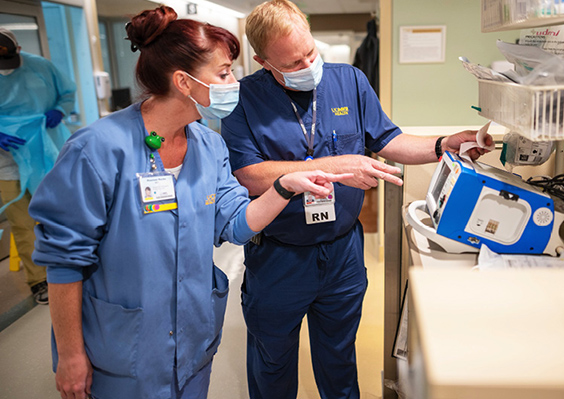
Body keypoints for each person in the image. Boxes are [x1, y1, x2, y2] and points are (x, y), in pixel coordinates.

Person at [27, 6, 351, 399]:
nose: (234, 81)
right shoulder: (97, 149)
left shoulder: (208, 145)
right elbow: (64, 262)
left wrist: (284, 186)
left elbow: (234, 222)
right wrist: (71, 354)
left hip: (193, 341)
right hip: (121, 349)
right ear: (184, 81)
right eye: (224, 72)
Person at [220, 1, 493, 398]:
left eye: (310, 52)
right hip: (280, 257)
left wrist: (443, 144)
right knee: (272, 364)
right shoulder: (242, 100)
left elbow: (388, 140)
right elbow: (249, 175)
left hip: (342, 252)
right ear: (264, 63)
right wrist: (339, 164)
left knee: (339, 361)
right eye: (293, 63)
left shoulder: (348, 80)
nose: (308, 65)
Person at [0, 27, 76, 305]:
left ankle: (72, 266)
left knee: (63, 213)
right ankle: (39, 280)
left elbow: (67, 92)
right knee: (22, 224)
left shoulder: (41, 67)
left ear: (18, 50)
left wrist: (61, 109)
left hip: (47, 151)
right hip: (6, 162)